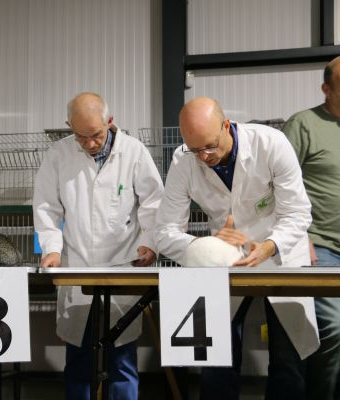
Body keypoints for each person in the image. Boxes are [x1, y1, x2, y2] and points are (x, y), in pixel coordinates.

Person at [155, 96, 319, 400]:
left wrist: (269, 246)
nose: (204, 156)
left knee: (288, 357)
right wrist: (205, 246)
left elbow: (298, 213)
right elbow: (164, 232)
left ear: (226, 126)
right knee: (216, 356)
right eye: (195, 149)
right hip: (222, 260)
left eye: (210, 146)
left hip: (281, 252)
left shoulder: (271, 144)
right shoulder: (183, 160)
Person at [33, 92, 164, 399]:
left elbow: (153, 204)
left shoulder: (133, 152)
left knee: (121, 360)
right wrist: (51, 249)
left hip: (123, 265)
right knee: (79, 359)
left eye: (96, 135)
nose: (90, 143)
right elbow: (46, 207)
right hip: (76, 267)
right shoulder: (58, 155)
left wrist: (150, 243)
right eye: (81, 137)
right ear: (69, 126)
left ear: (110, 121)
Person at [282, 56, 340, 400]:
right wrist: (300, 237)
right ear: (326, 89)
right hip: (320, 245)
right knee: (334, 329)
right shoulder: (303, 125)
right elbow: (276, 185)